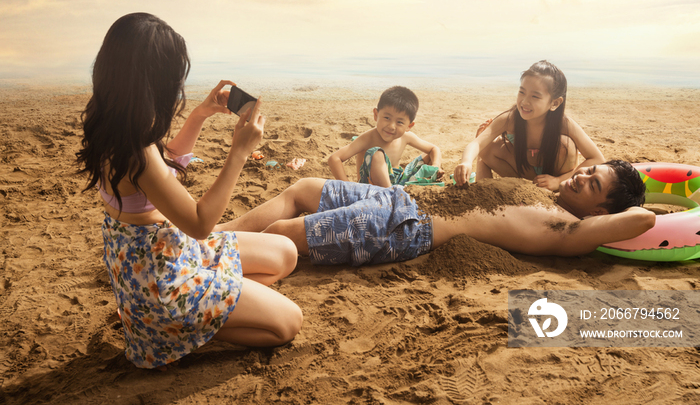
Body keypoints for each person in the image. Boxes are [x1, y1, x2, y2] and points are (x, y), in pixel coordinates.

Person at [76, 13, 302, 370]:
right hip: (164, 280)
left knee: (285, 253)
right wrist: (239, 152)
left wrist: (199, 115)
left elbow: (163, 168)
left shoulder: (113, 124)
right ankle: (174, 332)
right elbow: (199, 222)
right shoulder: (137, 150)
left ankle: (198, 312)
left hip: (163, 254)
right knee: (288, 323)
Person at [223, 160, 653, 265]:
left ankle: (203, 254)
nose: (581, 176)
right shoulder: (542, 190)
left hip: (406, 226)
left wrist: (647, 206)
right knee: (301, 188)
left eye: (593, 184)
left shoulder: (568, 229)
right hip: (397, 197)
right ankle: (211, 232)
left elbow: (642, 220)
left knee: (283, 229)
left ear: (600, 209)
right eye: (589, 171)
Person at [453, 60, 605, 191]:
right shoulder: (510, 119)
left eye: (535, 96)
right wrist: (466, 162)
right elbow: (476, 144)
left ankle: (553, 186)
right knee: (485, 147)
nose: (525, 101)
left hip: (555, 174)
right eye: (522, 92)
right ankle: (484, 191)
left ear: (554, 103)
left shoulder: (564, 124)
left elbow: (597, 158)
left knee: (567, 145)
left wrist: (558, 181)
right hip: (522, 172)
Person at [327, 86, 443, 187]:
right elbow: (334, 158)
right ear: (376, 115)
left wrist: (435, 167)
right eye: (387, 118)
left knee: (430, 156)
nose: (391, 126)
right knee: (377, 154)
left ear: (409, 126)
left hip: (398, 182)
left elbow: (434, 149)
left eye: (400, 122)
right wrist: (348, 186)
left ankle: (397, 191)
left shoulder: (406, 137)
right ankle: (391, 195)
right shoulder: (368, 138)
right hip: (371, 186)